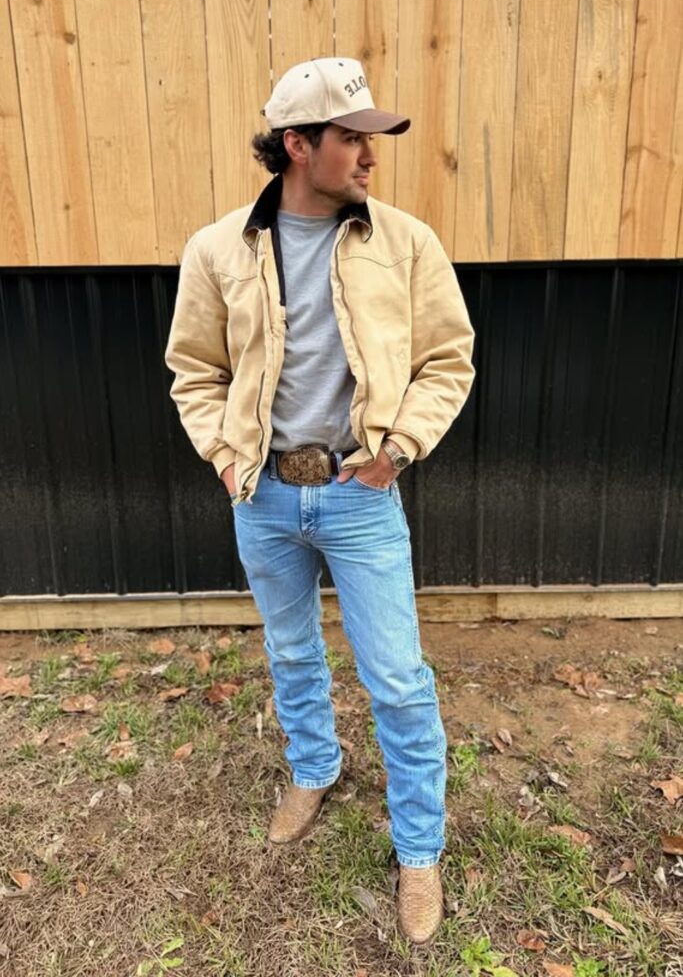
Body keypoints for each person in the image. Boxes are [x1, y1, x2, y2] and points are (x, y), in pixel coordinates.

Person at [164, 57, 475, 944]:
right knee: (292, 651)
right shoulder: (217, 249)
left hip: (358, 495)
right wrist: (226, 458)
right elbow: (194, 369)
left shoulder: (405, 242)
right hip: (262, 495)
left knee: (398, 680)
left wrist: (396, 450)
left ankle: (418, 850)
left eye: (372, 138)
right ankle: (314, 768)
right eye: (351, 138)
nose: (370, 155)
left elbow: (446, 360)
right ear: (297, 145)